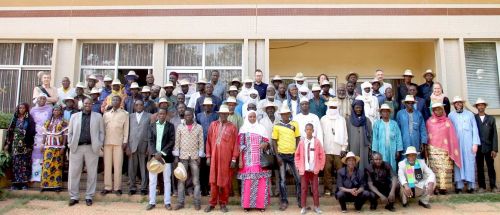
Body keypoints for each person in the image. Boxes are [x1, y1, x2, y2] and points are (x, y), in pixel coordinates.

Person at [67, 98, 104, 206]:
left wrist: (99, 144)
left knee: (92, 173)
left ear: (92, 105)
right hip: (76, 148)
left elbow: (102, 132)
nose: (88, 105)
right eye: (86, 103)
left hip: (91, 148)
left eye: (90, 103)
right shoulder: (74, 116)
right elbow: (70, 132)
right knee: (74, 173)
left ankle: (89, 196)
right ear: (82, 105)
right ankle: (74, 196)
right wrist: (70, 144)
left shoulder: (98, 116)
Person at [204, 105, 239, 213]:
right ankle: (212, 203)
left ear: (228, 115)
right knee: (213, 182)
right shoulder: (213, 125)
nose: (223, 115)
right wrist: (208, 156)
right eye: (221, 114)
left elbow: (236, 144)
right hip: (214, 158)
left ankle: (223, 203)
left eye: (225, 114)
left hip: (226, 160)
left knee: (225, 182)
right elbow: (208, 142)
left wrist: (234, 159)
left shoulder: (232, 127)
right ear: (219, 114)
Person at [237, 111, 271, 212]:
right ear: (247, 117)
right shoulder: (243, 129)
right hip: (247, 161)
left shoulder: (261, 128)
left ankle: (261, 205)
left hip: (260, 161)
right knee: (247, 183)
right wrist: (240, 160)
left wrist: (265, 144)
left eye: (254, 117)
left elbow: (267, 142)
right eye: (250, 117)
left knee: (261, 183)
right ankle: (247, 205)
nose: (252, 118)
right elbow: (240, 146)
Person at [172, 109, 204, 210]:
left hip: (194, 157)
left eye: (189, 115)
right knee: (181, 180)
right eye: (186, 115)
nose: (187, 117)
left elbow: (201, 142)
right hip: (183, 157)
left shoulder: (199, 127)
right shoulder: (180, 127)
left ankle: (197, 202)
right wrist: (176, 157)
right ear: (184, 117)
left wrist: (200, 156)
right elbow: (177, 142)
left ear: (193, 116)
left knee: (196, 181)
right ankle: (180, 202)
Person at [426, 102, 460, 194]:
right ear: (433, 111)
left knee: (444, 169)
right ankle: (435, 187)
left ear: (443, 109)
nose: (438, 111)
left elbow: (452, 135)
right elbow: (428, 135)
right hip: (433, 149)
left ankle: (443, 188)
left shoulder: (447, 121)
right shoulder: (429, 121)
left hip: (445, 149)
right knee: (435, 169)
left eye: (440, 109)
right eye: (436, 109)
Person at [272, 104, 302, 211]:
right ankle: (284, 201)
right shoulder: (277, 125)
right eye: (283, 114)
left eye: (286, 114)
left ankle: (300, 200)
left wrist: (297, 151)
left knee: (298, 178)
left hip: (293, 155)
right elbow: (274, 141)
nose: (285, 116)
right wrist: (277, 156)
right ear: (281, 115)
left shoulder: (295, 124)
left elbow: (298, 138)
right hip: (281, 155)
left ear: (289, 114)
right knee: (282, 180)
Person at [448, 96, 481, 193]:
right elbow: (449, 131)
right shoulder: (450, 115)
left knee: (470, 163)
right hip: (456, 144)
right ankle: (459, 186)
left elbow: (475, 129)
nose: (458, 104)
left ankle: (471, 186)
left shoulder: (470, 114)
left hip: (468, 143)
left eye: (459, 102)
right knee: (458, 163)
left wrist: (475, 144)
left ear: (462, 103)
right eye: (456, 103)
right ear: (454, 105)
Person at [146, 108, 175, 210]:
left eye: (163, 114)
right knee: (152, 180)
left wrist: (161, 153)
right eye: (160, 114)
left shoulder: (170, 126)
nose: (162, 115)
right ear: (157, 115)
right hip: (154, 157)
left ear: (166, 115)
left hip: (165, 157)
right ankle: (152, 202)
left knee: (167, 180)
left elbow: (171, 141)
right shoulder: (151, 126)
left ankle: (167, 202)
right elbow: (150, 141)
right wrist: (155, 154)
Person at [3, 103, 36, 190]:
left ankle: (24, 184)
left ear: (26, 109)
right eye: (19, 108)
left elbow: (32, 133)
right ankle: (15, 183)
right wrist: (7, 143)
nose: (21, 109)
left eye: (23, 108)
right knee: (15, 164)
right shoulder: (15, 119)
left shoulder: (29, 120)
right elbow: (10, 132)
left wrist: (30, 145)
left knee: (24, 164)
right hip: (15, 145)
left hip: (26, 145)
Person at [295, 123, 325, 214]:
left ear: (313, 131)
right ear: (305, 131)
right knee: (303, 188)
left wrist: (320, 166)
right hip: (304, 170)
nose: (309, 131)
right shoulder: (301, 142)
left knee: (315, 189)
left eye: (310, 129)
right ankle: (303, 207)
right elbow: (297, 155)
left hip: (314, 170)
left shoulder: (317, 142)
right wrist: (298, 166)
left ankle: (316, 206)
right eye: (307, 129)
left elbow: (322, 155)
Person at [102, 95, 129, 196]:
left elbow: (126, 129)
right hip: (107, 142)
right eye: (113, 100)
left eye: (117, 100)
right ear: (111, 101)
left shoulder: (125, 114)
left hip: (119, 143)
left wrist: (125, 141)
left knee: (118, 166)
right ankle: (107, 187)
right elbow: (103, 129)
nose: (115, 101)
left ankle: (117, 188)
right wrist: (102, 141)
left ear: (120, 102)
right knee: (107, 166)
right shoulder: (106, 114)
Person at [321, 99, 348, 196]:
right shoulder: (323, 119)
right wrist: (321, 149)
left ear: (337, 108)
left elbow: (345, 134)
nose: (332, 109)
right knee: (327, 170)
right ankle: (327, 189)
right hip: (326, 149)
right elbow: (321, 135)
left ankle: (340, 189)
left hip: (338, 150)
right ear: (328, 107)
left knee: (340, 171)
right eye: (331, 107)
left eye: (334, 107)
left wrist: (344, 148)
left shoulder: (341, 119)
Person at [40, 105, 68, 192]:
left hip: (58, 147)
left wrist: (63, 146)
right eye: (54, 110)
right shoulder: (48, 122)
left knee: (57, 166)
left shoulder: (64, 122)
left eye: (58, 110)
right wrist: (42, 144)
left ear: (61, 112)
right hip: (48, 146)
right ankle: (45, 185)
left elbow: (65, 135)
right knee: (47, 166)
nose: (56, 112)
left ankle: (56, 186)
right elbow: (44, 134)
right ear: (52, 111)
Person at [127, 100, 152, 196]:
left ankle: (144, 187)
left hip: (144, 145)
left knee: (144, 168)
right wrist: (128, 146)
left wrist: (149, 147)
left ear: (143, 106)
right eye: (137, 105)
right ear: (134, 106)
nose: (139, 106)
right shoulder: (130, 116)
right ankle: (132, 187)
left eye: (141, 105)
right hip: (132, 145)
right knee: (132, 168)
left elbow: (150, 132)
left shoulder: (149, 116)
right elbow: (127, 132)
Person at [474, 98, 498, 193]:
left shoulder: (491, 119)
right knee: (479, 167)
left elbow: (494, 135)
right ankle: (482, 186)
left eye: (482, 105)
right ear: (476, 107)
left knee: (491, 167)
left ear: (485, 106)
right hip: (478, 147)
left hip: (489, 147)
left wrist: (494, 149)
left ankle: (493, 186)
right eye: (479, 105)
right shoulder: (474, 118)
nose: (481, 107)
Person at [195, 97, 218, 195]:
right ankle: (202, 188)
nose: (208, 107)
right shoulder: (199, 116)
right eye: (206, 105)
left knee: (211, 167)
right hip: (201, 144)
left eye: (210, 105)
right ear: (203, 106)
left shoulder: (215, 116)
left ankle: (210, 188)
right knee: (202, 167)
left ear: (212, 106)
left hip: (213, 145)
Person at [372, 104, 403, 172]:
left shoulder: (394, 124)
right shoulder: (377, 124)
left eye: (387, 111)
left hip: (392, 149)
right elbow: (375, 138)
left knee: (392, 164)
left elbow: (398, 137)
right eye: (383, 111)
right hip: (381, 149)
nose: (385, 113)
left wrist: (398, 150)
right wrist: (375, 151)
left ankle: (392, 179)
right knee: (381, 163)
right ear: (381, 113)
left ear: (389, 113)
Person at [259, 101, 281, 196]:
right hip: (266, 148)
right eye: (268, 108)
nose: (270, 110)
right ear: (266, 110)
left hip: (278, 148)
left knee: (277, 170)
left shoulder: (278, 120)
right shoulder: (262, 121)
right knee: (268, 170)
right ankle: (269, 191)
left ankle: (278, 190)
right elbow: (260, 135)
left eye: (272, 108)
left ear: (274, 110)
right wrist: (264, 145)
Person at [30, 94, 53, 182]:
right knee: (36, 156)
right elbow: (31, 122)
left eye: (44, 98)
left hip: (46, 135)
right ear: (37, 100)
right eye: (40, 98)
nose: (42, 100)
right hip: (36, 136)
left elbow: (51, 121)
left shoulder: (50, 109)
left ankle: (45, 176)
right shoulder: (32, 110)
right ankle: (35, 176)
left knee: (45, 154)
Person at [346, 100, 372, 171]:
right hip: (352, 146)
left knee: (364, 164)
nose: (358, 110)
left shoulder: (367, 120)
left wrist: (370, 146)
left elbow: (370, 134)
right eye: (356, 108)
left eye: (360, 108)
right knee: (353, 163)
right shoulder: (348, 120)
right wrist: (347, 148)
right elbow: (346, 135)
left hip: (364, 146)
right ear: (353, 108)